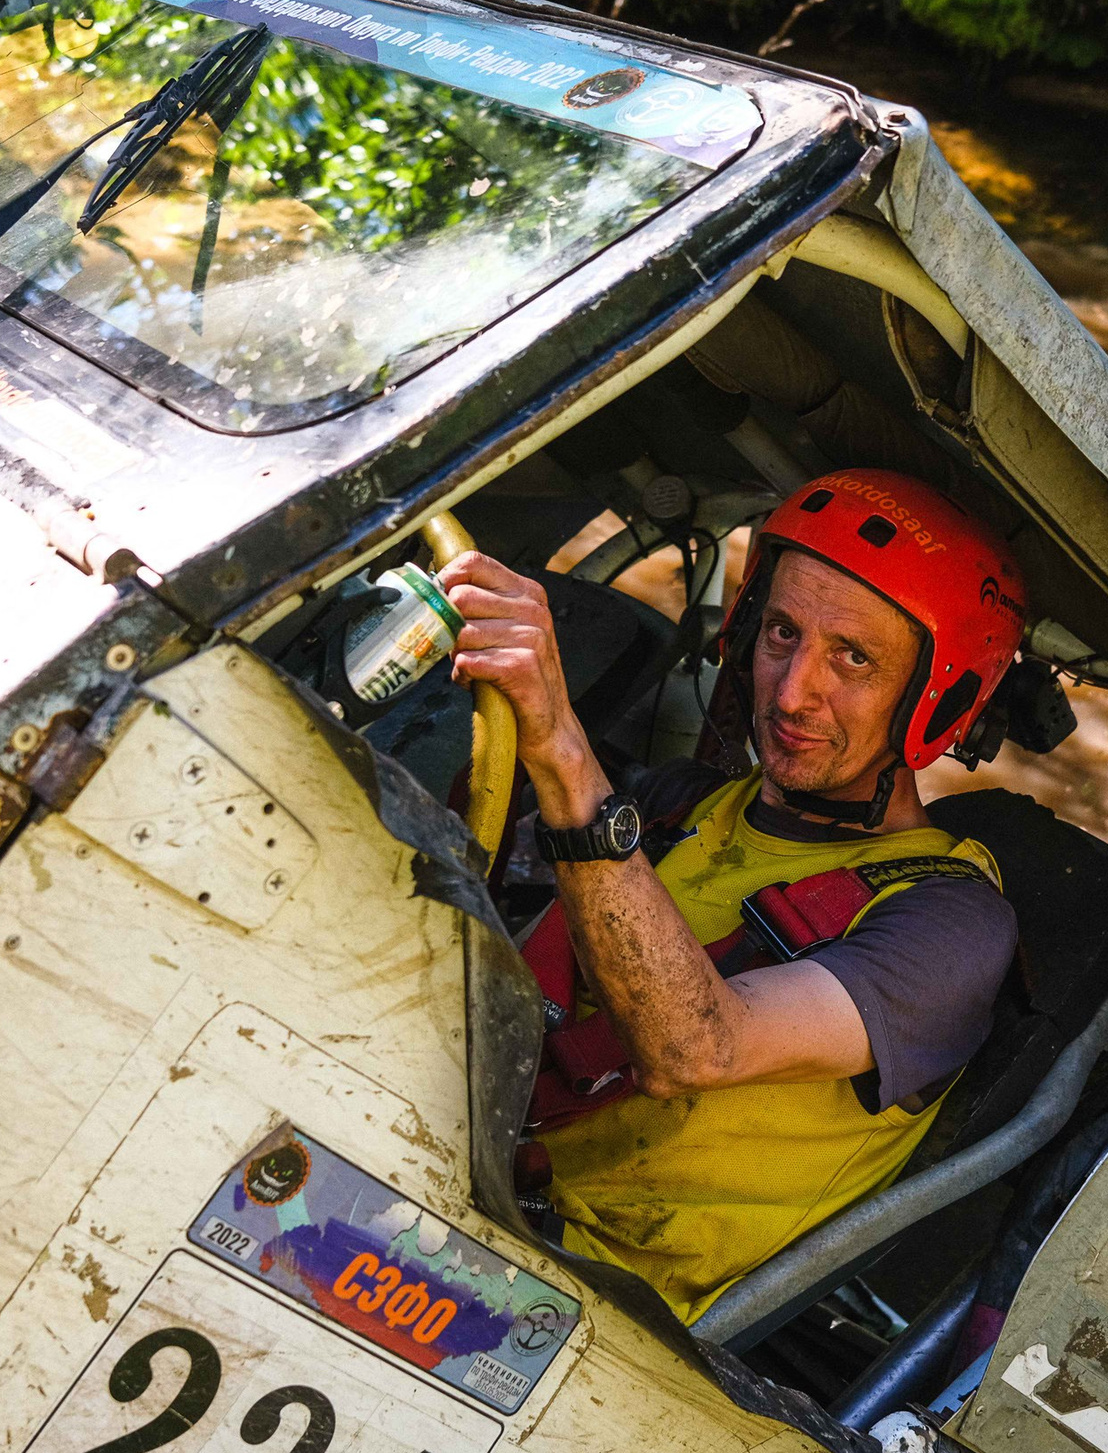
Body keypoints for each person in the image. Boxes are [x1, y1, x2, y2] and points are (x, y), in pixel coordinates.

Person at [437, 469, 1029, 1325]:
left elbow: (697, 1047)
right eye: (782, 632)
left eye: (852, 658)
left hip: (564, 1309)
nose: (792, 691)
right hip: (451, 1160)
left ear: (935, 699)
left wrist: (562, 747)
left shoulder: (953, 925)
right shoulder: (681, 804)